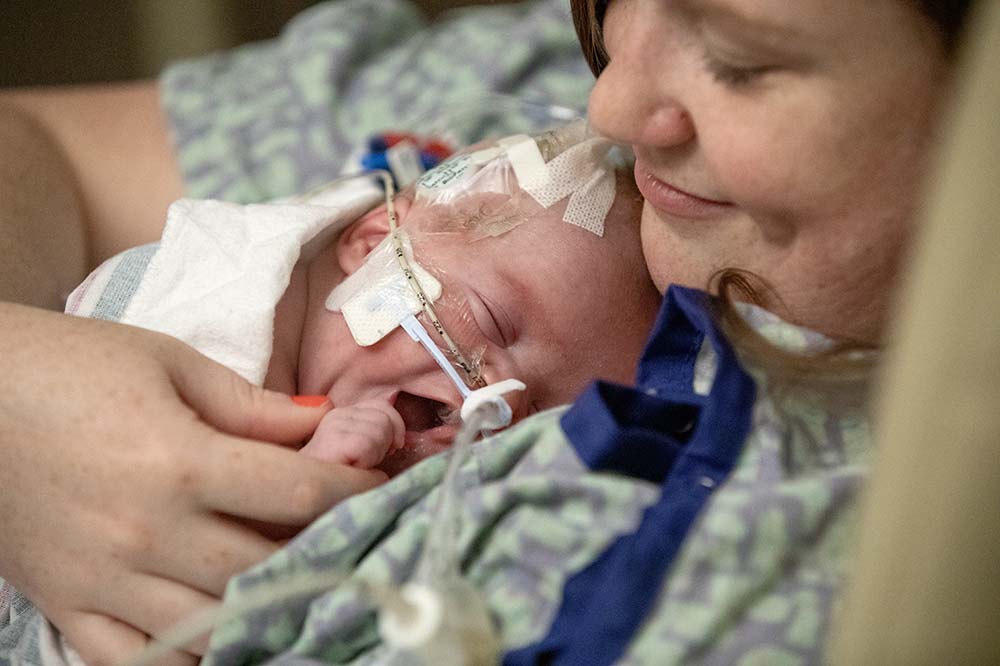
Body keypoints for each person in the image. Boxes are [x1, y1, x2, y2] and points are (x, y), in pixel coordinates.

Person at [0, 0, 977, 663]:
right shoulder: (491, 128)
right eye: (609, 4)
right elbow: (33, 146)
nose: (612, 104)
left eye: (739, 59)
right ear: (372, 238)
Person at [65, 126, 659, 478]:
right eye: (492, 319)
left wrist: (320, 495)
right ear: (376, 245)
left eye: (544, 413)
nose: (502, 397)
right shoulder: (195, 297)